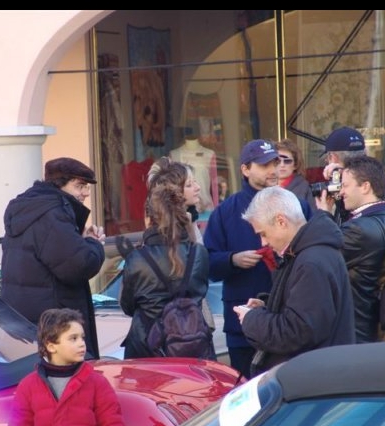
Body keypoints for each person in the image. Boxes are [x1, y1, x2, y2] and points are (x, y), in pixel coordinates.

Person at [234, 186, 356, 376]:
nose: (263, 243)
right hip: (319, 373)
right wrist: (267, 307)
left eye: (263, 234)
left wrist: (251, 319)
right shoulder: (308, 254)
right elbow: (307, 312)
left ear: (281, 221)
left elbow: (297, 332)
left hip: (315, 378)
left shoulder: (310, 261)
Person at [0, 157, 106, 360]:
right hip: (56, 325)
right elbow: (79, 265)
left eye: (87, 187)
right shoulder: (53, 213)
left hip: (28, 322)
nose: (86, 193)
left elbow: (54, 254)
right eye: (79, 186)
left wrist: (79, 240)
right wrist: (94, 244)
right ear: (60, 185)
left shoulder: (31, 208)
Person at [321, 126, 385, 339]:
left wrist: (325, 215)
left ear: (332, 157)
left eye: (346, 185)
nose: (342, 191)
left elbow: (333, 250)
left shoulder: (366, 220)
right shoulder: (382, 199)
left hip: (376, 316)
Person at [202, 139, 283, 378]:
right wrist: (232, 260)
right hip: (241, 324)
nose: (273, 170)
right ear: (245, 170)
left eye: (275, 163)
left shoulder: (293, 205)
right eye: (265, 165)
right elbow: (208, 263)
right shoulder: (226, 211)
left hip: (286, 320)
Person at [120, 161, 211, 358]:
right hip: (192, 342)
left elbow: (127, 306)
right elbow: (201, 292)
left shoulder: (137, 258)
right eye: (189, 184)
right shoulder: (198, 252)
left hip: (147, 346)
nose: (197, 187)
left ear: (149, 218)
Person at [6, 308, 127, 426]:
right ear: (51, 346)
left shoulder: (97, 383)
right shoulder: (28, 386)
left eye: (82, 337)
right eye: (73, 338)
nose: (82, 343)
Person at [275, 138, 316, 211]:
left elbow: (312, 215)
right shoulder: (265, 185)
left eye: (287, 161)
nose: (282, 165)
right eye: (278, 161)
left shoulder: (304, 187)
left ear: (295, 165)